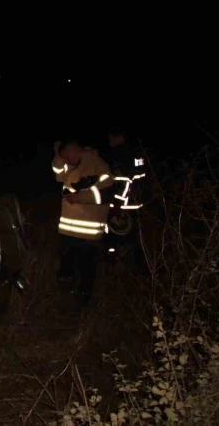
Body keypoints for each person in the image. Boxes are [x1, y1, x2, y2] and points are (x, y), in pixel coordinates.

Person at [52, 139, 115, 310]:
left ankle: (84, 301)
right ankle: (65, 297)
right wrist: (58, 155)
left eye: (67, 157)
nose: (66, 161)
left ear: (74, 151)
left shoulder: (98, 165)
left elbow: (107, 193)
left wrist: (80, 197)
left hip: (89, 232)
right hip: (69, 230)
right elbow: (58, 173)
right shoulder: (71, 165)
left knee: (86, 266)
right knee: (66, 264)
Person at [103, 128, 149, 274]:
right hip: (135, 204)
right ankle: (140, 270)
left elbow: (123, 181)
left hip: (123, 207)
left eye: (111, 138)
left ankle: (116, 269)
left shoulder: (121, 154)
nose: (109, 141)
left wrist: (117, 204)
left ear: (119, 137)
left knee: (115, 239)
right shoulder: (137, 153)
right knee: (135, 240)